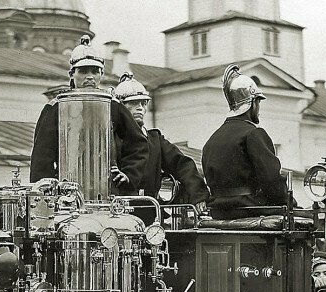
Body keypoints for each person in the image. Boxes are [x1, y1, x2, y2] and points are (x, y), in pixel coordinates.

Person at [29, 36, 148, 193]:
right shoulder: (55, 107)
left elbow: (138, 144)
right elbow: (41, 157)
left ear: (102, 74)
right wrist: (46, 193)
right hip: (66, 193)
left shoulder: (113, 106)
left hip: (109, 191)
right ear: (72, 74)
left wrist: (128, 174)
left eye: (95, 71)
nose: (90, 76)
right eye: (83, 71)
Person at [113, 73, 209, 215]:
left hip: (149, 210)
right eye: (133, 103)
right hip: (118, 211)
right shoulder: (111, 139)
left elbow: (182, 164)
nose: (140, 108)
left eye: (143, 103)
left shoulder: (155, 140)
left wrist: (199, 195)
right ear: (121, 107)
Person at [202, 64, 288, 211]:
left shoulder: (212, 140)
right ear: (252, 103)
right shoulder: (254, 134)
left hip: (218, 212)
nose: (259, 108)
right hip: (249, 210)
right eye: (258, 102)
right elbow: (271, 181)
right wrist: (289, 202)